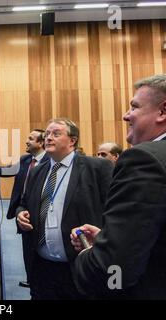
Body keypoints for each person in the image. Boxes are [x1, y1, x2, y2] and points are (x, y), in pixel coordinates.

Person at [71, 74, 166, 299]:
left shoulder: (145, 159)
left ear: (162, 111)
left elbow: (114, 271)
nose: (126, 115)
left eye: (134, 107)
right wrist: (113, 238)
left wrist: (89, 254)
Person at [16, 118, 113, 299]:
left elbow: (113, 212)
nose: (49, 138)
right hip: (41, 267)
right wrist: (20, 213)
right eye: (47, 134)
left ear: (72, 140)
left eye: (56, 133)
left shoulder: (97, 168)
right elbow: (24, 202)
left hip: (79, 266)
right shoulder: (38, 170)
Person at [0, 130, 49, 290]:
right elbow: (4, 172)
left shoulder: (50, 162)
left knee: (41, 252)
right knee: (27, 250)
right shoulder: (25, 160)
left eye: (31, 139)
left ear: (41, 143)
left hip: (41, 214)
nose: (26, 141)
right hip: (22, 211)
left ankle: (39, 284)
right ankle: (31, 280)